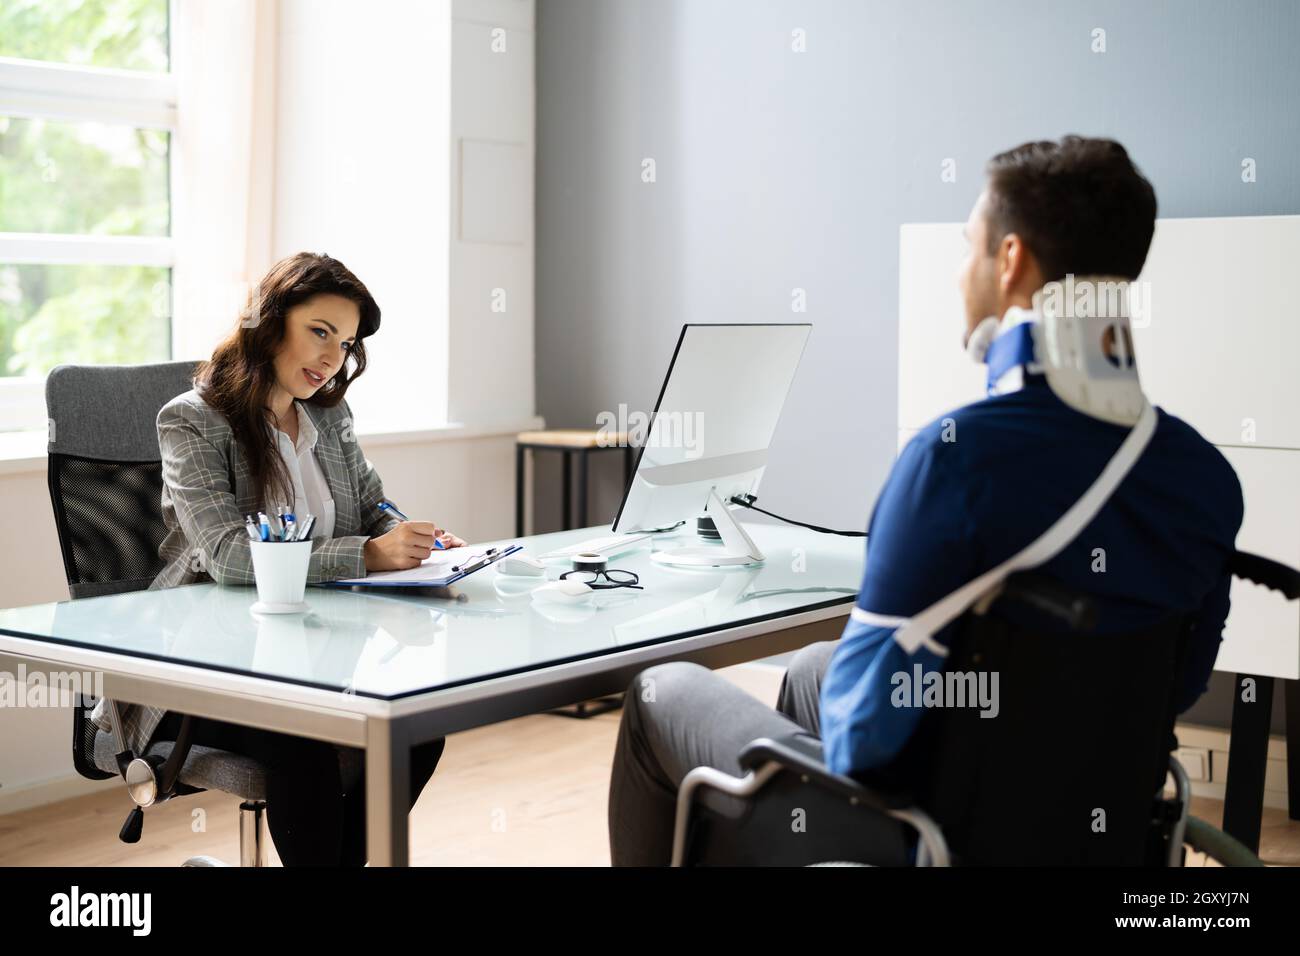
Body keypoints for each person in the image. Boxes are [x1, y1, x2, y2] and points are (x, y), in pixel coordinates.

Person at [606, 136, 1244, 865]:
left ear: (1009, 262)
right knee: (817, 665)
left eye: (969, 245)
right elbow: (1175, 686)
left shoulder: (957, 460)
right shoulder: (1203, 476)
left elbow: (859, 737)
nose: (961, 270)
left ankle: (828, 841)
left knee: (662, 689)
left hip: (939, 837)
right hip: (1094, 817)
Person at [92, 251, 463, 865]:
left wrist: (412, 539)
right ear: (269, 323)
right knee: (304, 740)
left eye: (344, 344)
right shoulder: (192, 421)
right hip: (201, 669)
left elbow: (374, 506)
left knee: (414, 727)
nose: (330, 357)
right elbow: (231, 555)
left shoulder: (329, 415)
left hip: (314, 656)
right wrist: (369, 555)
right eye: (319, 331)